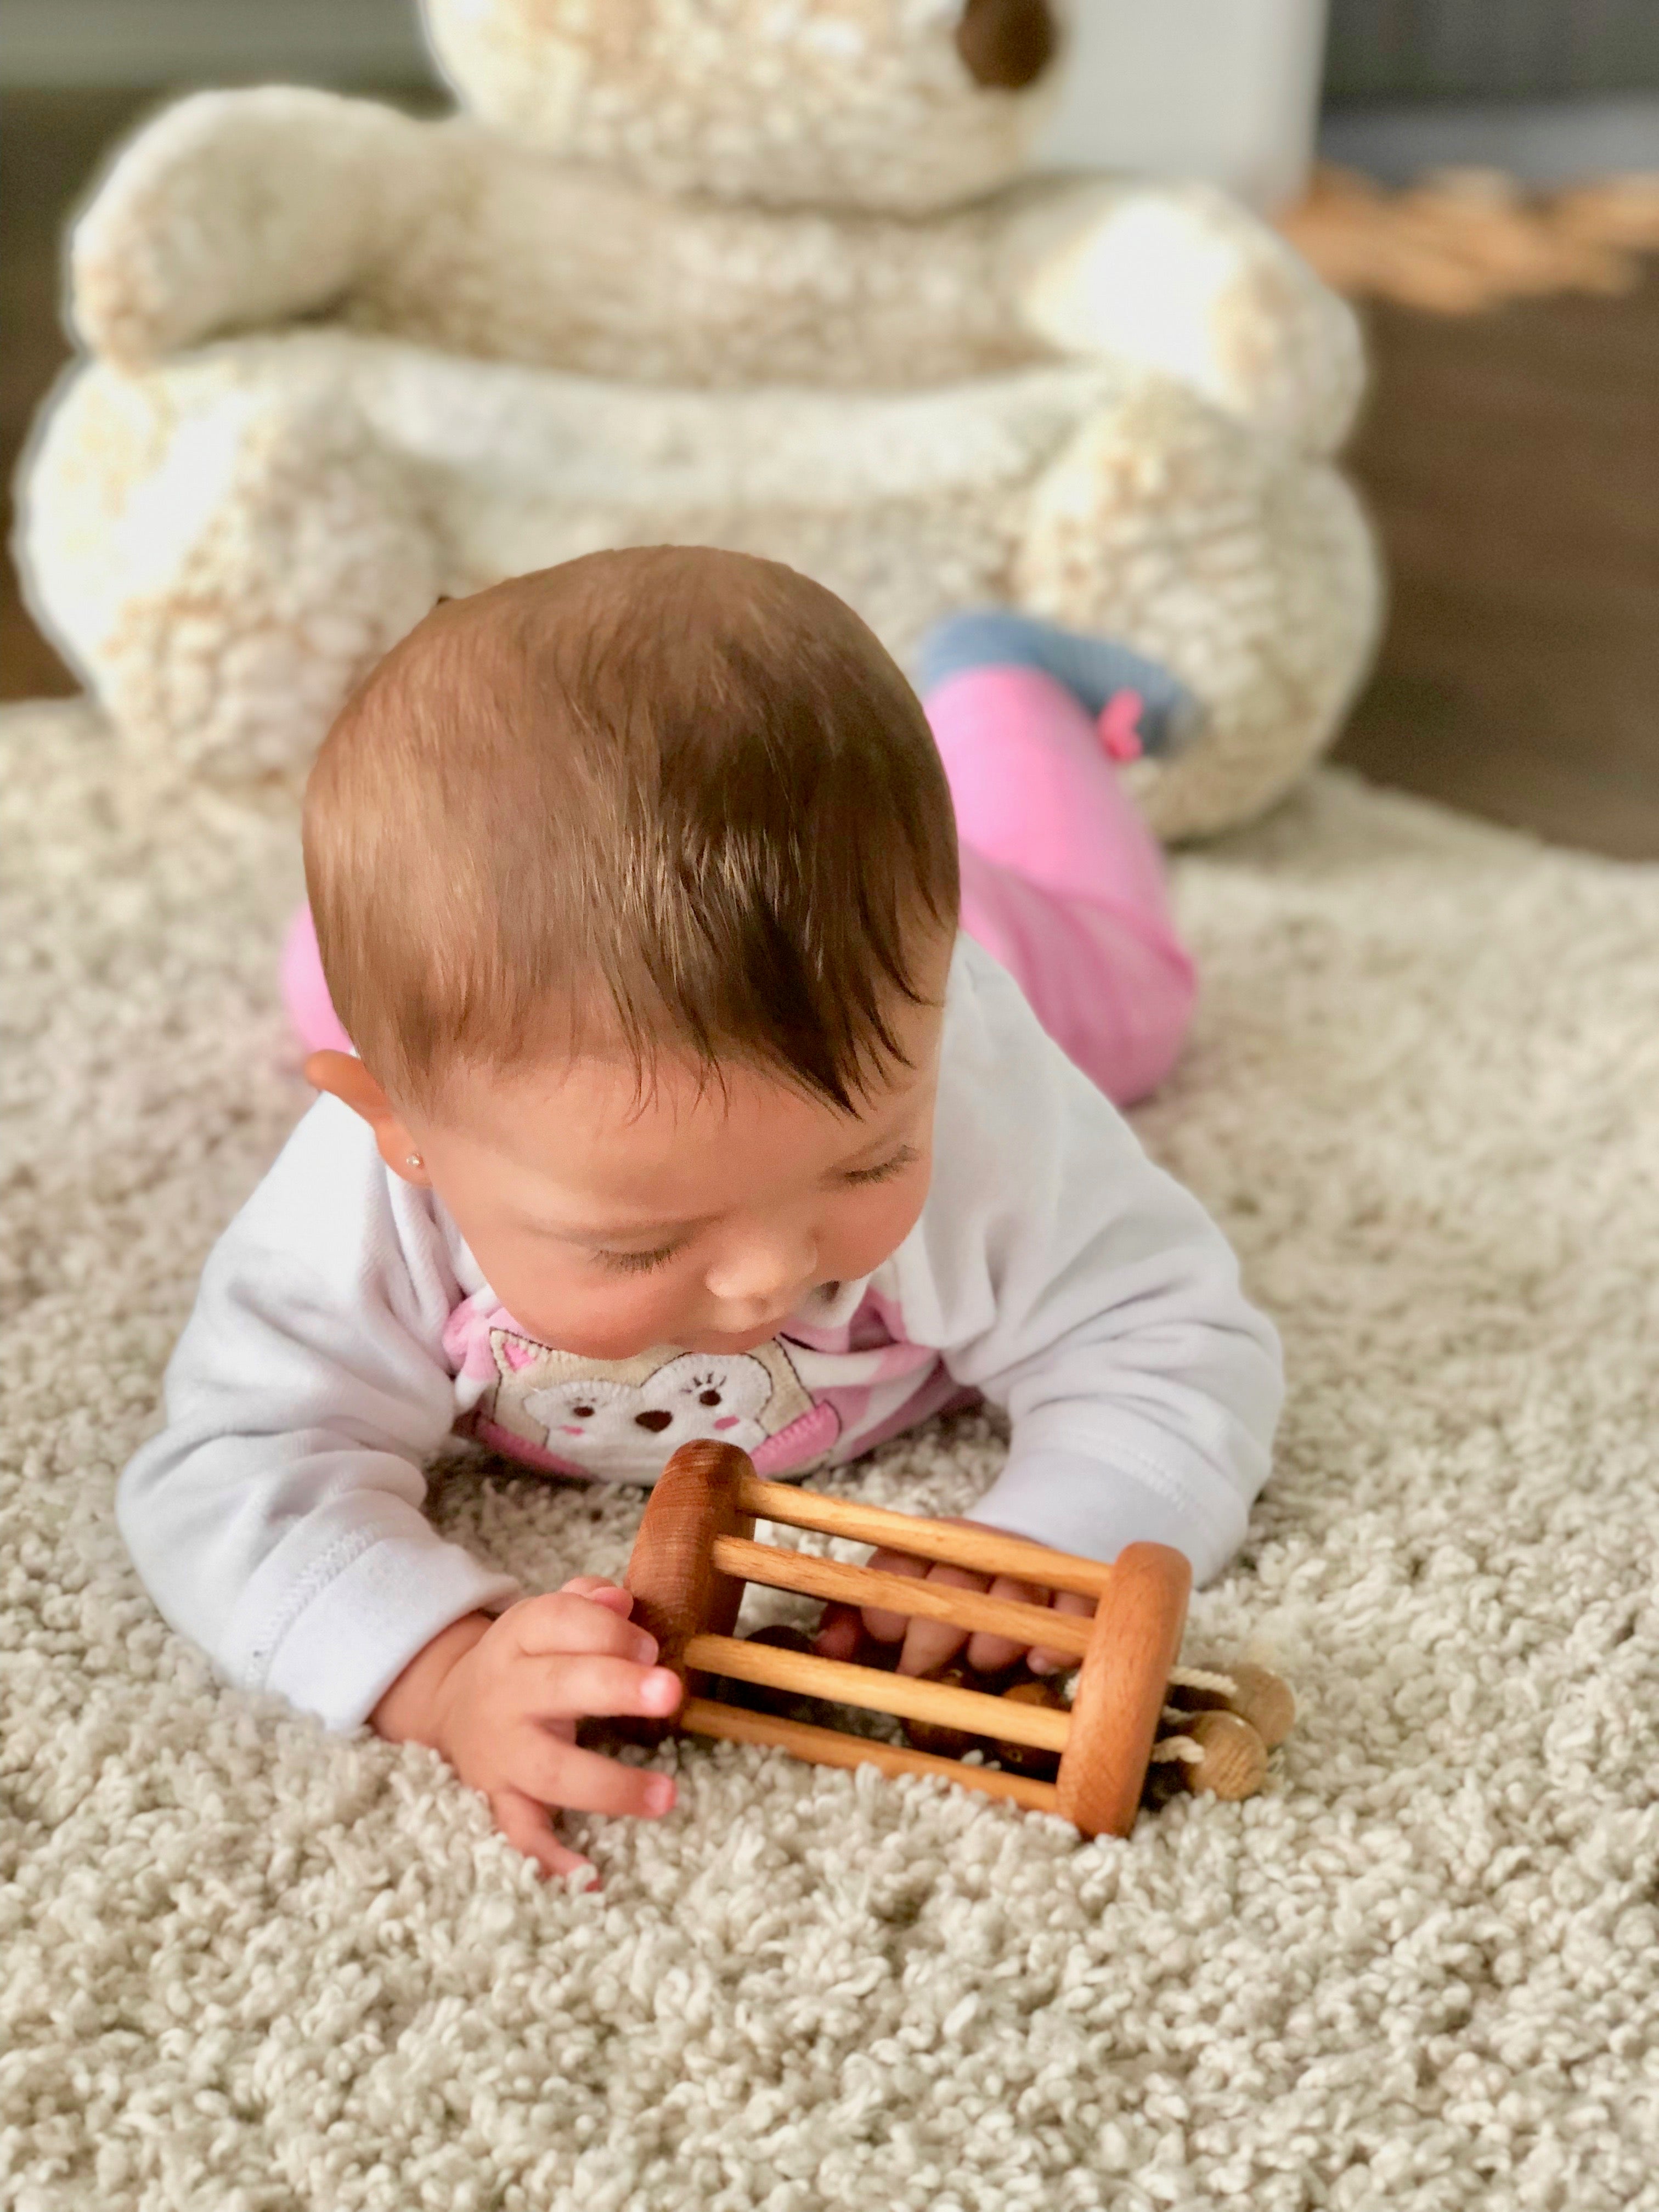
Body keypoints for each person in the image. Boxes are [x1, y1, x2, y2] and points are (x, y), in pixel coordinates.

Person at [119, 548, 1282, 1881]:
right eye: (641, 1242)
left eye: (862, 1166)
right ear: (405, 1137)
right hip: (478, 1011)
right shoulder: (364, 1191)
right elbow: (234, 1469)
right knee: (342, 970)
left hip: (961, 939)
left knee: (1139, 1003)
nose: (767, 1278)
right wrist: (438, 1670)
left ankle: (1003, 688)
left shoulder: (970, 1065)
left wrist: (1051, 1540)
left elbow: (1167, 1329)